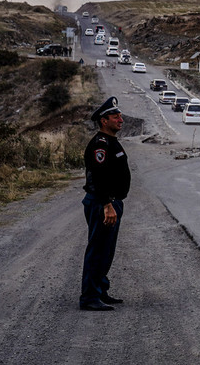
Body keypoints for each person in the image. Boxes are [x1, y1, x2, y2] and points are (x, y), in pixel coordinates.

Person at [79, 96, 131, 311]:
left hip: (110, 202)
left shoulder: (111, 141)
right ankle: (89, 297)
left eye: (119, 115)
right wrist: (106, 205)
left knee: (106, 250)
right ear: (103, 120)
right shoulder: (99, 144)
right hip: (102, 204)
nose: (120, 118)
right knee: (98, 249)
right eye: (115, 115)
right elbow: (97, 178)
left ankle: (101, 290)